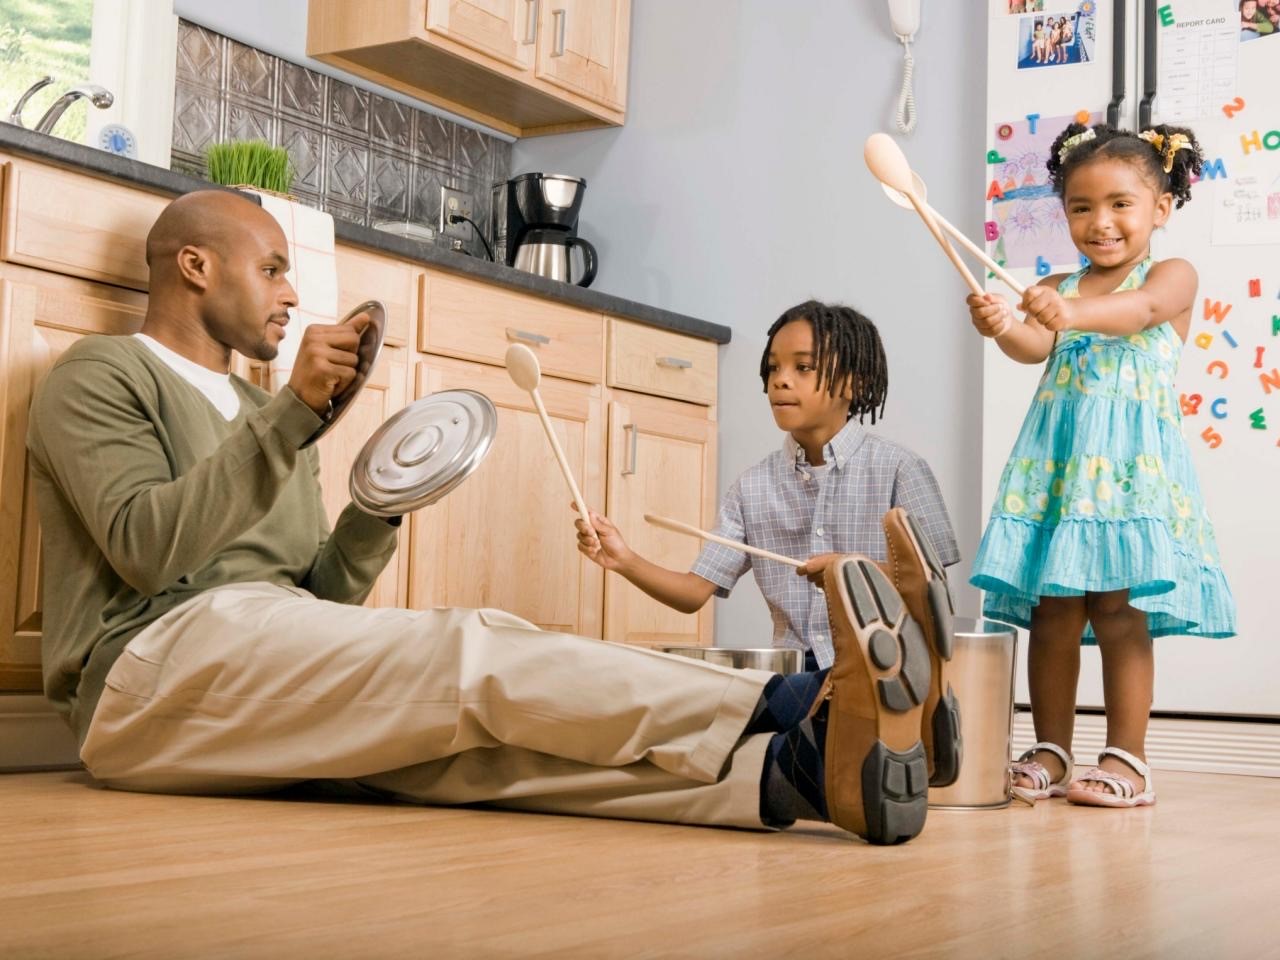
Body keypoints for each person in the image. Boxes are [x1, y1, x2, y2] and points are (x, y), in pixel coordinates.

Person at [26, 190, 958, 846]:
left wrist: (378, 507)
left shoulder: (270, 417)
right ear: (194, 265)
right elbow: (147, 554)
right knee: (465, 652)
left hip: (249, 660)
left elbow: (315, 595)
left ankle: (794, 776)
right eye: (271, 268)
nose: (290, 293)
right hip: (143, 682)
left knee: (476, 757)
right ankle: (803, 703)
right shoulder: (101, 376)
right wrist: (292, 421)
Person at [575, 300, 962, 787]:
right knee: (708, 693)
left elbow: (934, 590)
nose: (781, 380)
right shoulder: (752, 486)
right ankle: (833, 763)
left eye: (803, 368)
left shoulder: (901, 470)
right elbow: (695, 592)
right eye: (773, 368)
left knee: (741, 721)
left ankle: (822, 753)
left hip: (880, 669)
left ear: (855, 384)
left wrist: (851, 572)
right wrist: (624, 559)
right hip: (796, 674)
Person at [966, 123, 1236, 809]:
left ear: (1162, 207)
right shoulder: (1062, 285)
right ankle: (1051, 748)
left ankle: (1130, 758)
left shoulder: (1171, 276)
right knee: (1053, 611)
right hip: (1061, 471)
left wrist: (1071, 309)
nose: (1101, 222)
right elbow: (1035, 344)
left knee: (1119, 613)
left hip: (1127, 474)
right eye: (1081, 207)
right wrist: (1004, 324)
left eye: (1120, 203)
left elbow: (1138, 311)